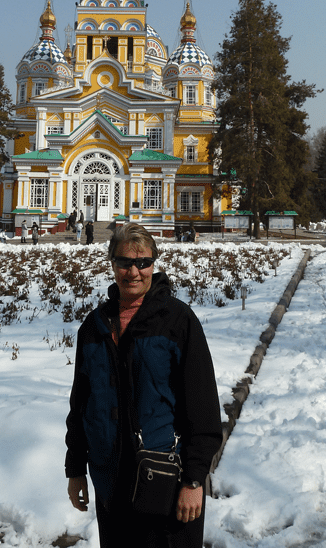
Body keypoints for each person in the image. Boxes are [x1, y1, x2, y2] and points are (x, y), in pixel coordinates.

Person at [65, 223, 222, 548]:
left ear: (154, 264)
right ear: (112, 263)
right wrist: (75, 467)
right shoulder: (94, 327)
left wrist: (194, 479)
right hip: (112, 485)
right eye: (124, 262)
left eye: (143, 263)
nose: (133, 272)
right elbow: (82, 405)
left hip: (167, 483)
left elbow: (203, 408)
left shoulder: (177, 322)